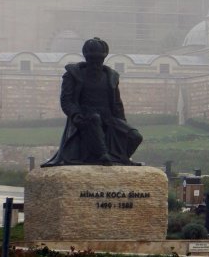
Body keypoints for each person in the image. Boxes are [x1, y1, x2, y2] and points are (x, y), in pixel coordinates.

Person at [42, 37, 143, 166]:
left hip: (108, 117)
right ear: (87, 58)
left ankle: (120, 158)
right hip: (85, 116)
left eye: (99, 59)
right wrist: (75, 114)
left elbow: (117, 104)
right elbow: (66, 100)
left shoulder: (111, 77)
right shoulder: (73, 75)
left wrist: (122, 124)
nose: (95, 63)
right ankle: (103, 156)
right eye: (92, 59)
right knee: (94, 120)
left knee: (135, 136)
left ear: (103, 58)